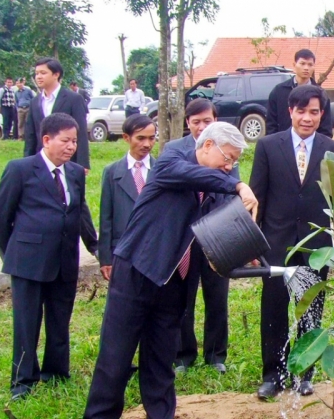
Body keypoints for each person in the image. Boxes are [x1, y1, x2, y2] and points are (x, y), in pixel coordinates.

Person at [83, 122, 258, 419]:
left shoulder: (214, 186)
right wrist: (238, 184)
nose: (230, 167)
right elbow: (191, 176)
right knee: (115, 359)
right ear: (207, 146)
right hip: (138, 271)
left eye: (235, 163)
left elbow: (218, 226)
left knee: (161, 360)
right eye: (227, 158)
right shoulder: (171, 161)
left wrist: (245, 247)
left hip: (176, 282)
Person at [250, 84, 334, 399]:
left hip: (316, 246)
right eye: (301, 111)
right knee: (274, 309)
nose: (307, 118)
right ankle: (272, 375)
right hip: (277, 243)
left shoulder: (332, 149)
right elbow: (257, 197)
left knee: (310, 311)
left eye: (314, 112)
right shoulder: (267, 146)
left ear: (322, 115)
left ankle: (303, 375)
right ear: (290, 112)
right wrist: (254, 242)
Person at [0, 113, 98, 400]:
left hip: (64, 259)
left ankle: (56, 372)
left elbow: (80, 212)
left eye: (75, 141)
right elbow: (1, 216)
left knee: (59, 318)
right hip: (28, 261)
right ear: (47, 139)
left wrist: (95, 246)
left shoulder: (75, 173)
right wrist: (14, 250)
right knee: (26, 323)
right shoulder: (20, 169)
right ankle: (23, 381)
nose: (71, 146)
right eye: (65, 140)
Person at [168, 98, 238, 375]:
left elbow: (232, 192)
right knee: (182, 299)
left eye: (206, 121)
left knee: (217, 297)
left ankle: (216, 354)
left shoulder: (228, 150)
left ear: (215, 121)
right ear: (187, 123)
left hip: (217, 235)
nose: (201, 126)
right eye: (195, 122)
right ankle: (183, 355)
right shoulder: (175, 151)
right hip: (184, 237)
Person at [98, 115, 157, 281]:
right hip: (123, 251)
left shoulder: (161, 171)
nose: (147, 144)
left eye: (151, 138)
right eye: (140, 138)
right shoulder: (112, 172)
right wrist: (105, 258)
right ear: (126, 137)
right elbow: (106, 218)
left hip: (154, 252)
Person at [24, 57, 91, 171]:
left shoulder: (73, 99)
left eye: (43, 73)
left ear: (56, 75)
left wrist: (83, 163)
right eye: (37, 73)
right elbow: (30, 135)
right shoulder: (35, 102)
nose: (38, 77)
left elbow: (81, 132)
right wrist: (28, 160)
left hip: (67, 160)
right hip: (41, 160)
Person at [266, 49, 333, 137]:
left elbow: (326, 129)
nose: (306, 68)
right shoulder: (279, 91)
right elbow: (271, 125)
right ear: (294, 65)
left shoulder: (321, 95)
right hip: (282, 145)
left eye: (310, 64)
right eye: (302, 63)